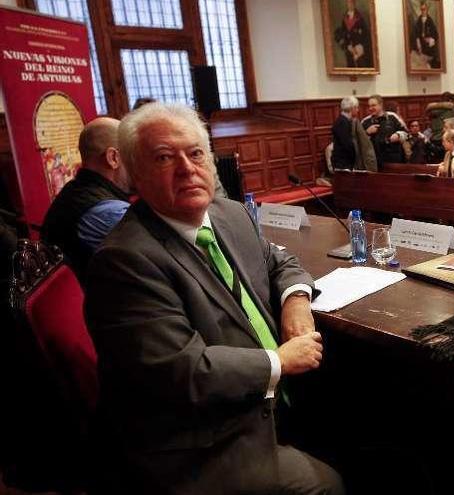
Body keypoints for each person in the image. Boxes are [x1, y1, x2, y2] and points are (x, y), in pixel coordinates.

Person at [84, 103, 344, 494]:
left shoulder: (229, 213)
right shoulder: (124, 261)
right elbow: (183, 371)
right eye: (164, 158)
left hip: (262, 395)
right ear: (135, 175)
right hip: (201, 434)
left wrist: (296, 301)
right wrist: (280, 361)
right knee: (327, 484)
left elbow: (279, 260)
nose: (187, 169)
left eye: (195, 153)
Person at [41, 117, 131, 283]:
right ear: (113, 158)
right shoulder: (106, 211)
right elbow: (166, 255)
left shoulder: (77, 189)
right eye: (133, 154)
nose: (138, 164)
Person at [330, 95, 377, 172]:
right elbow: (347, 145)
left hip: (344, 162)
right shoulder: (343, 122)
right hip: (343, 164)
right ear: (352, 108)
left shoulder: (344, 121)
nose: (358, 110)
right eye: (357, 108)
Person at [361, 94, 408, 166]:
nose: (370, 108)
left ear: (381, 105)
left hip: (394, 160)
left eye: (373, 105)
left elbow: (406, 133)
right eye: (369, 106)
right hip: (374, 161)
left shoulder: (392, 116)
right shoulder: (365, 121)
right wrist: (367, 132)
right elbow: (359, 141)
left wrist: (398, 135)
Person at [334, 0, 373, 67]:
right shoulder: (344, 18)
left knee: (361, 66)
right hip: (350, 50)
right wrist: (347, 46)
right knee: (351, 66)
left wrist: (362, 47)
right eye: (348, 3)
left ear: (354, 4)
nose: (350, 5)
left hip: (359, 50)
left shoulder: (360, 17)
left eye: (351, 3)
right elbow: (343, 34)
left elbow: (366, 34)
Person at [411, 1, 440, 69]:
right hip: (420, 47)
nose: (423, 11)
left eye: (424, 9)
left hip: (428, 49)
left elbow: (435, 35)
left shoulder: (430, 21)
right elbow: (416, 34)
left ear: (427, 10)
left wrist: (430, 40)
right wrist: (418, 42)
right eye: (421, 9)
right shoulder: (418, 21)